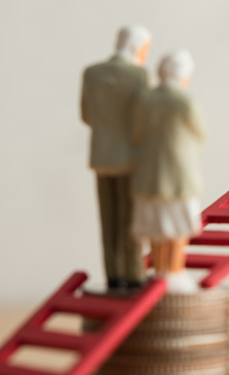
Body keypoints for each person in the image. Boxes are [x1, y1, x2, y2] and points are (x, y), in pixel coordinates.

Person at [81, 25, 152, 290]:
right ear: (138, 47)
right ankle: (134, 274)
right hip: (130, 159)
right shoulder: (139, 75)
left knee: (107, 219)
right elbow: (144, 119)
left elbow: (87, 115)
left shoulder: (92, 73)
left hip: (101, 155)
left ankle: (113, 275)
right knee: (130, 220)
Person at [130, 49, 205, 294]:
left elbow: (136, 132)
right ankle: (174, 271)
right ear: (183, 76)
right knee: (177, 226)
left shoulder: (145, 99)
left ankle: (160, 271)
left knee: (156, 224)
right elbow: (199, 134)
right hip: (178, 174)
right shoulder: (184, 102)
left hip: (149, 173)